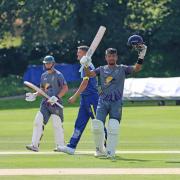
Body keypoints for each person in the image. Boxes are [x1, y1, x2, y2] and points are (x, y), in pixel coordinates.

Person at [81, 35, 147, 158]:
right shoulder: (101, 69)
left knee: (113, 126)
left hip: (116, 102)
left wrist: (141, 55)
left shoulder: (122, 69)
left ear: (116, 57)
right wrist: (85, 64)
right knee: (97, 126)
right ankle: (100, 150)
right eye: (109, 56)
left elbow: (137, 68)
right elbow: (89, 74)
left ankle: (111, 151)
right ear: (106, 57)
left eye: (113, 56)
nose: (111, 57)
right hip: (103, 101)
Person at [57, 45, 107, 155]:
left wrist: (75, 96)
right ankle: (71, 147)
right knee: (79, 123)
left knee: (98, 124)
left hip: (92, 99)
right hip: (85, 99)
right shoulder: (85, 65)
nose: (77, 54)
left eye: (79, 53)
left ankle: (107, 147)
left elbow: (85, 83)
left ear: (85, 54)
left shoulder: (87, 66)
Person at [25, 55, 68, 152]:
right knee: (37, 122)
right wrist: (35, 95)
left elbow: (65, 88)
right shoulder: (43, 75)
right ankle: (34, 145)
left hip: (56, 104)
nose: (47, 65)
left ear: (53, 63)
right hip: (45, 103)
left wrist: (56, 97)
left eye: (49, 63)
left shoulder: (58, 75)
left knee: (57, 124)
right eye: (46, 63)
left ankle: (60, 146)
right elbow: (42, 90)